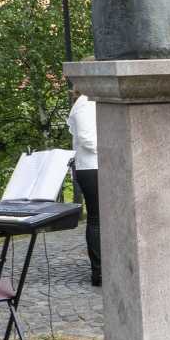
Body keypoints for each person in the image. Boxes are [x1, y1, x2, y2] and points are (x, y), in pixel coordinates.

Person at [68, 86, 101, 285]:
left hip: (99, 165)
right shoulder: (84, 103)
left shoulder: (92, 100)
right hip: (91, 167)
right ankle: (99, 271)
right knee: (97, 219)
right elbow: (88, 139)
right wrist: (114, 147)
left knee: (103, 220)